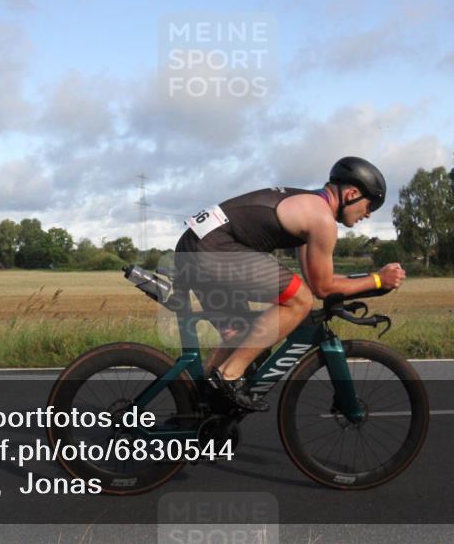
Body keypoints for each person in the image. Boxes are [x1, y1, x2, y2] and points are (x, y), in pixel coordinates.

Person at [173, 156, 406, 411]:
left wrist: (371, 281)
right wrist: (377, 279)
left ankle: (196, 405)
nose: (369, 214)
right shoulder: (321, 219)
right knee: (299, 300)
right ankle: (227, 378)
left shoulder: (310, 207)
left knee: (244, 335)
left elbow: (319, 283)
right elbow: (322, 290)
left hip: (195, 245)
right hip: (211, 249)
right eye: (370, 205)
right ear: (351, 194)